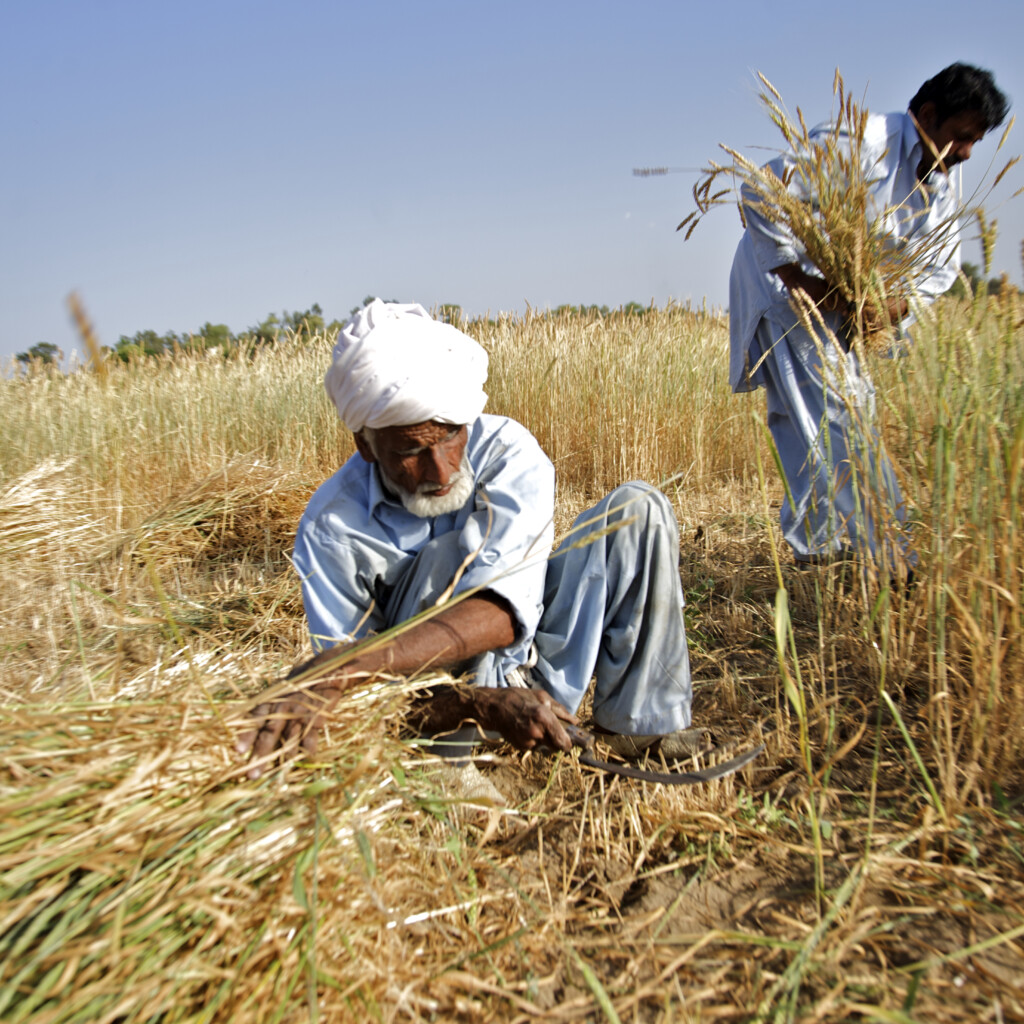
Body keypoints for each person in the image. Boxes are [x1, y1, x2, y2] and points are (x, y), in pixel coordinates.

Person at [238, 299, 697, 794]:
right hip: (437, 709)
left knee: (638, 510)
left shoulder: (508, 451)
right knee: (444, 559)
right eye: (412, 451)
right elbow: (360, 703)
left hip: (533, 658)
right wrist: (473, 702)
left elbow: (503, 613)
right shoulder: (332, 527)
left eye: (451, 436)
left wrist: (347, 665)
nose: (441, 470)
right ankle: (446, 767)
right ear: (366, 446)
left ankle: (640, 729)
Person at [728, 63, 1008, 569]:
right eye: (961, 137)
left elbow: (938, 270)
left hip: (844, 307)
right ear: (926, 115)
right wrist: (804, 279)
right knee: (840, 417)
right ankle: (890, 556)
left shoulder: (942, 178)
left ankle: (820, 551)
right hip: (787, 289)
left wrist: (892, 308)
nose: (966, 153)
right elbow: (759, 193)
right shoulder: (857, 142)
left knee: (811, 418)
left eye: (974, 143)